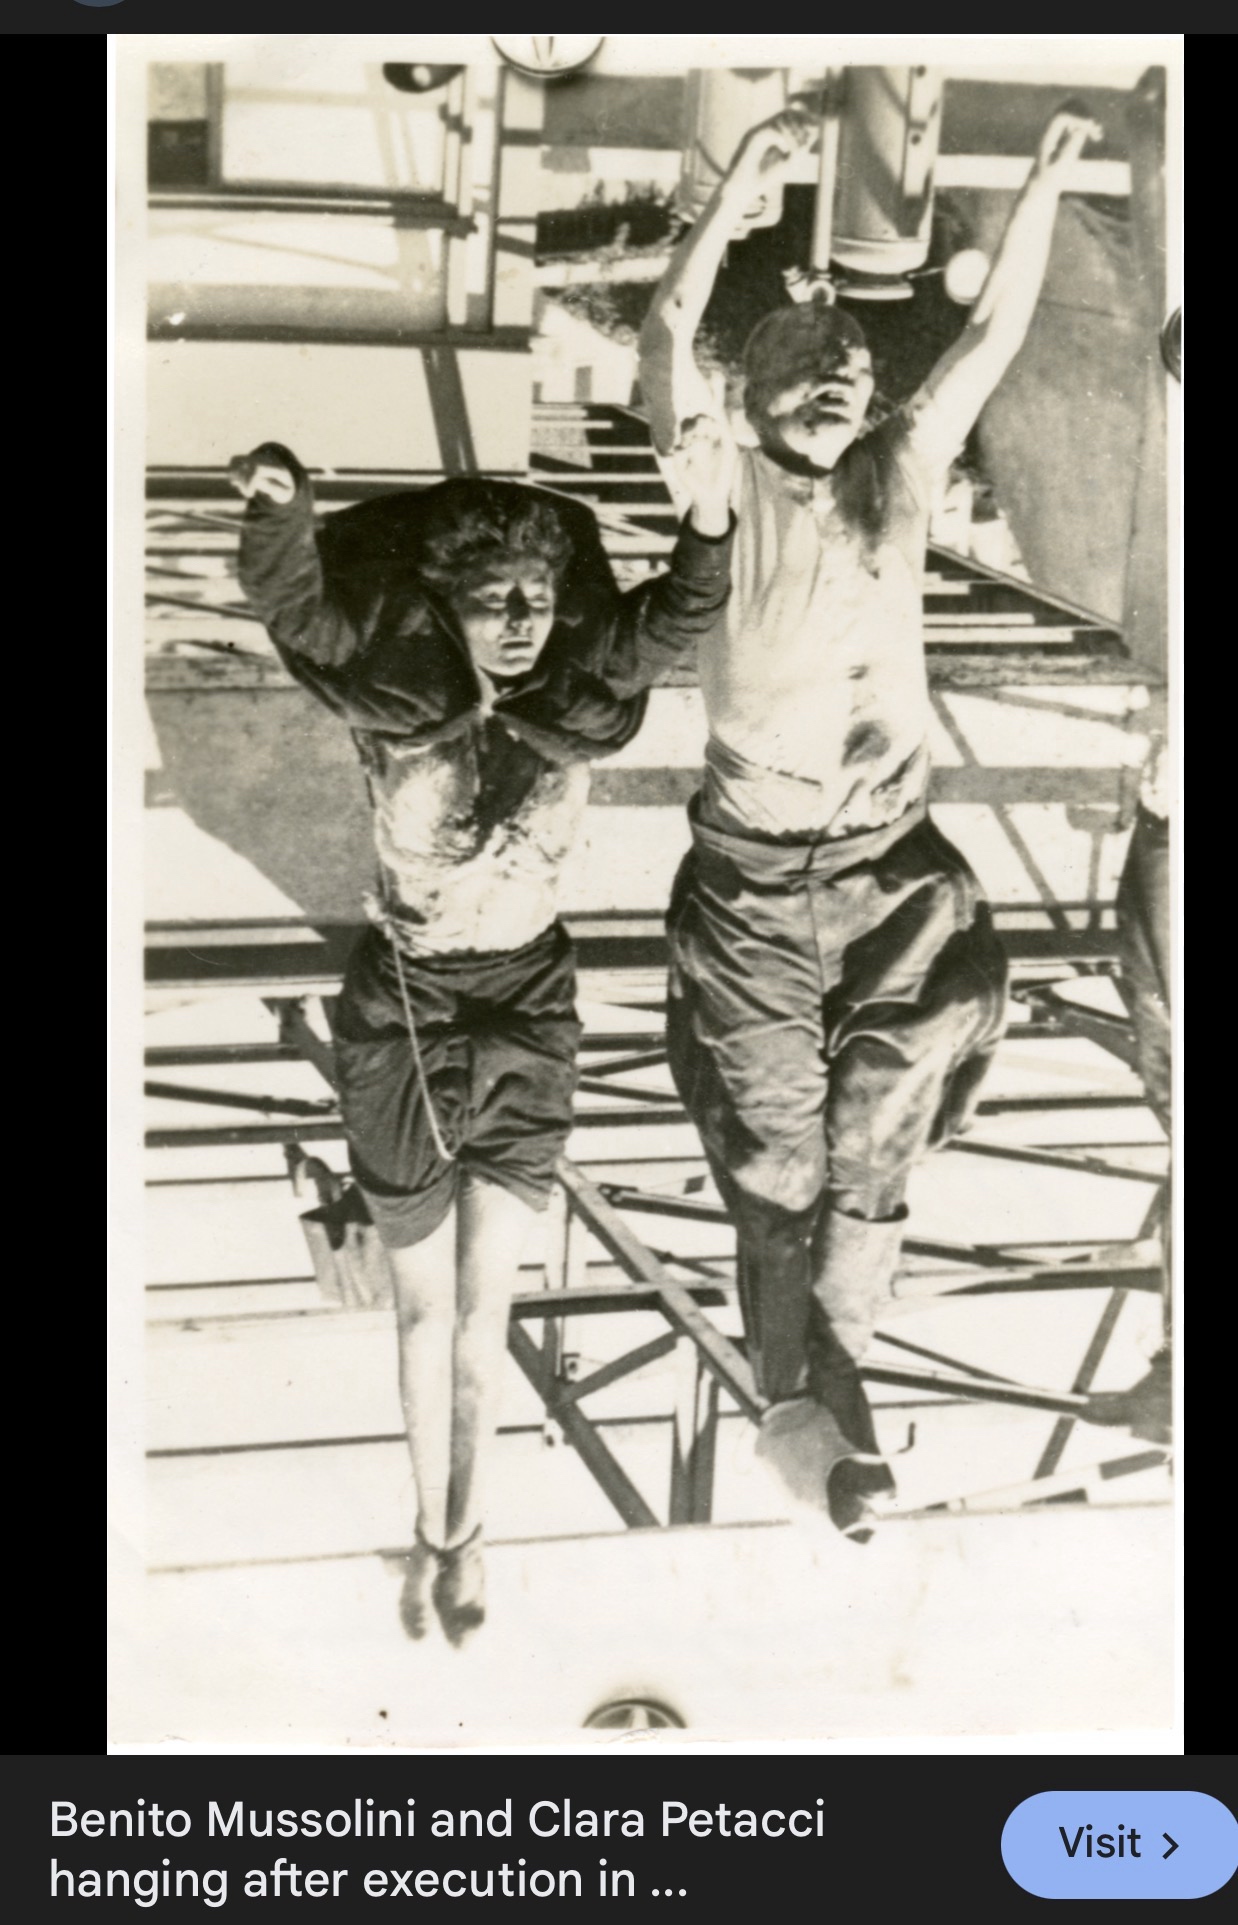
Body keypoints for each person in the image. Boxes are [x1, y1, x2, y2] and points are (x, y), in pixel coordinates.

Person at [639, 102, 1101, 1535]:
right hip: (756, 884)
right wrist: (734, 185)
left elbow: (988, 340)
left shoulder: (896, 473)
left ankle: (812, 1401)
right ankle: (814, 1407)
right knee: (781, 1161)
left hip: (889, 863)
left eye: (850, 371)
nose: (837, 384)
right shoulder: (719, 484)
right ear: (753, 390)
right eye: (809, 368)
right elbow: (665, 334)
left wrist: (1036, 189)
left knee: (879, 1122)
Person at [232, 430, 735, 1640]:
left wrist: (710, 517)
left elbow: (678, 614)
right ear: (444, 602)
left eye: (535, 596)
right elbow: (296, 607)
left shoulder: (581, 670)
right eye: (491, 598)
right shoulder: (394, 671)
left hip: (524, 999)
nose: (519, 619)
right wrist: (282, 509)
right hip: (403, 1005)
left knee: (480, 1310)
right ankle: (445, 1529)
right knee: (430, 1314)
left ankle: (455, 1536)